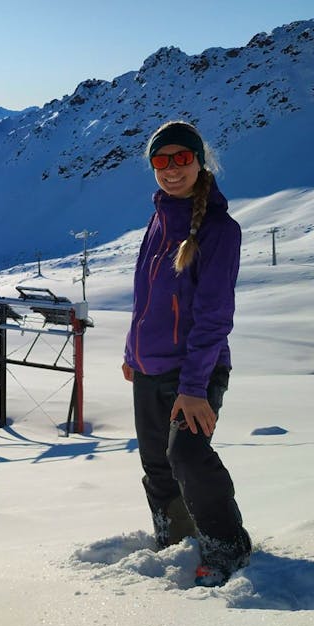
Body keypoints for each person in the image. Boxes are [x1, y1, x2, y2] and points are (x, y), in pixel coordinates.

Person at [121, 120, 251, 587]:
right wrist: (133, 353)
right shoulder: (158, 220)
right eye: (161, 160)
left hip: (196, 370)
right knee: (157, 464)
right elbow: (146, 297)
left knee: (188, 456)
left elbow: (214, 314)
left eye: (182, 159)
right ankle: (176, 542)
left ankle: (227, 547)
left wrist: (195, 388)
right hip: (150, 366)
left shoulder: (219, 229)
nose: (172, 169)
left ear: (200, 161)